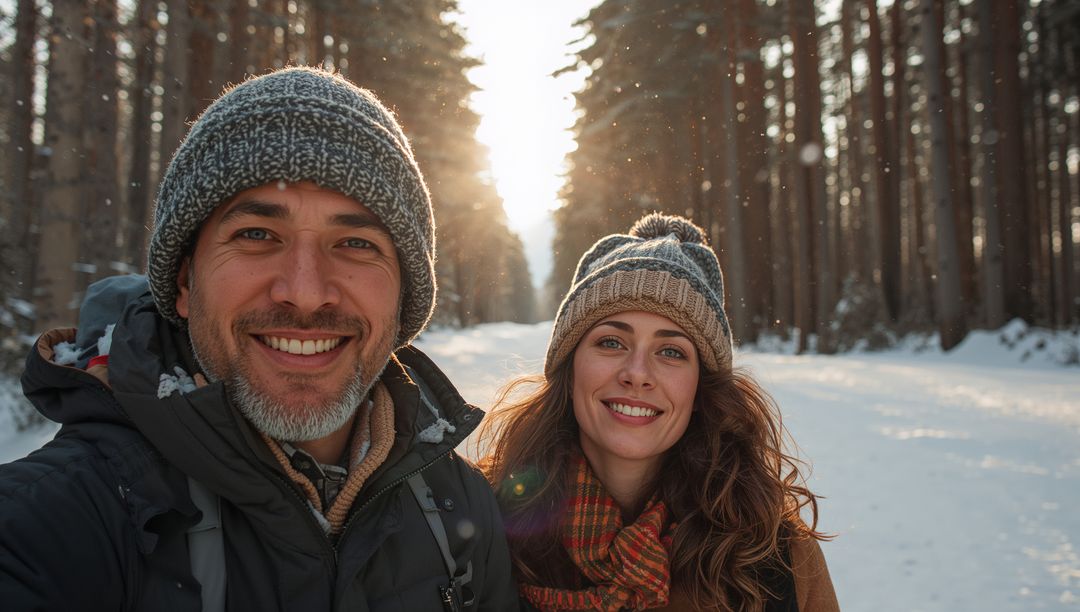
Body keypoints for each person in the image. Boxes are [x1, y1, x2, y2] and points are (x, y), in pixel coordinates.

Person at [0, 67, 519, 611]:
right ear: (183, 281)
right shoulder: (54, 526)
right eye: (256, 234)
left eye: (355, 242)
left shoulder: (460, 507)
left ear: (402, 298)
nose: (305, 292)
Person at [480, 213, 838, 611]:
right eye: (612, 342)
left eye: (671, 352)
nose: (637, 374)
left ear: (702, 388)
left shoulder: (773, 556)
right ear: (570, 367)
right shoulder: (481, 526)